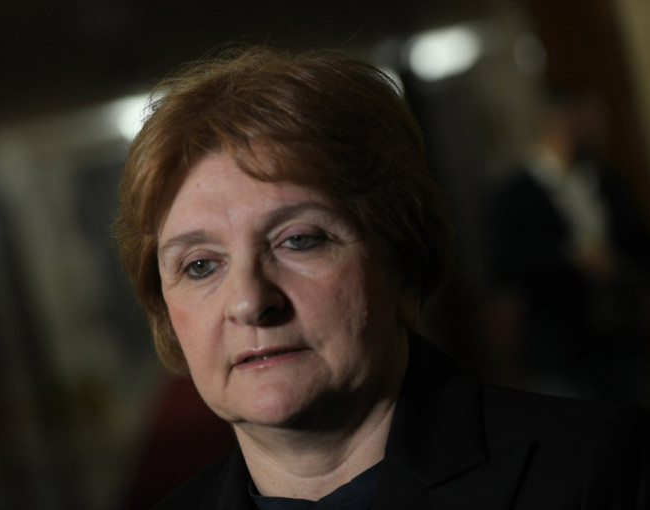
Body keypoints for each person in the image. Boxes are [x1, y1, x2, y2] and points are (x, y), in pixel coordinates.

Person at [114, 47, 649, 509]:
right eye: (200, 265)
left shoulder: (599, 473)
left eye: (299, 240)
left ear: (404, 268)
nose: (250, 302)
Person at [484, 87, 650, 402]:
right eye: (584, 123)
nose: (595, 132)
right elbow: (505, 269)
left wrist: (617, 264)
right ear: (558, 123)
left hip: (622, 341)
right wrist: (571, 260)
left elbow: (639, 242)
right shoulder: (513, 196)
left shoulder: (609, 180)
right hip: (559, 348)